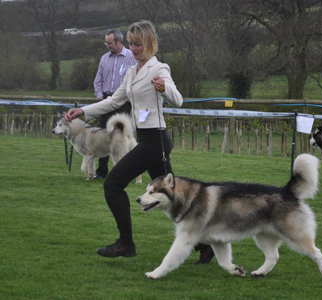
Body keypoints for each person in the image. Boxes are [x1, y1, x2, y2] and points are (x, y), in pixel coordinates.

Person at [65, 20, 214, 264]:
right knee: (174, 198)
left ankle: (126, 243)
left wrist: (164, 87)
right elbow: (114, 102)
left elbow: (178, 100)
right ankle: (205, 245)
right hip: (147, 139)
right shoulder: (132, 71)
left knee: (112, 185)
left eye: (138, 44)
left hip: (155, 141)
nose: (133, 48)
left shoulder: (160, 68)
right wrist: (83, 111)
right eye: (132, 44)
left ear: (149, 43)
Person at [93, 29, 137, 179]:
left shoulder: (132, 57)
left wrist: (132, 96)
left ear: (119, 41)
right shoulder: (104, 58)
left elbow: (139, 78)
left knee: (124, 137)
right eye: (106, 42)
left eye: (110, 43)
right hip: (106, 101)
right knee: (103, 136)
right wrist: (100, 98)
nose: (107, 45)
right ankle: (101, 172)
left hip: (125, 102)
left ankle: (126, 172)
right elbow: (97, 81)